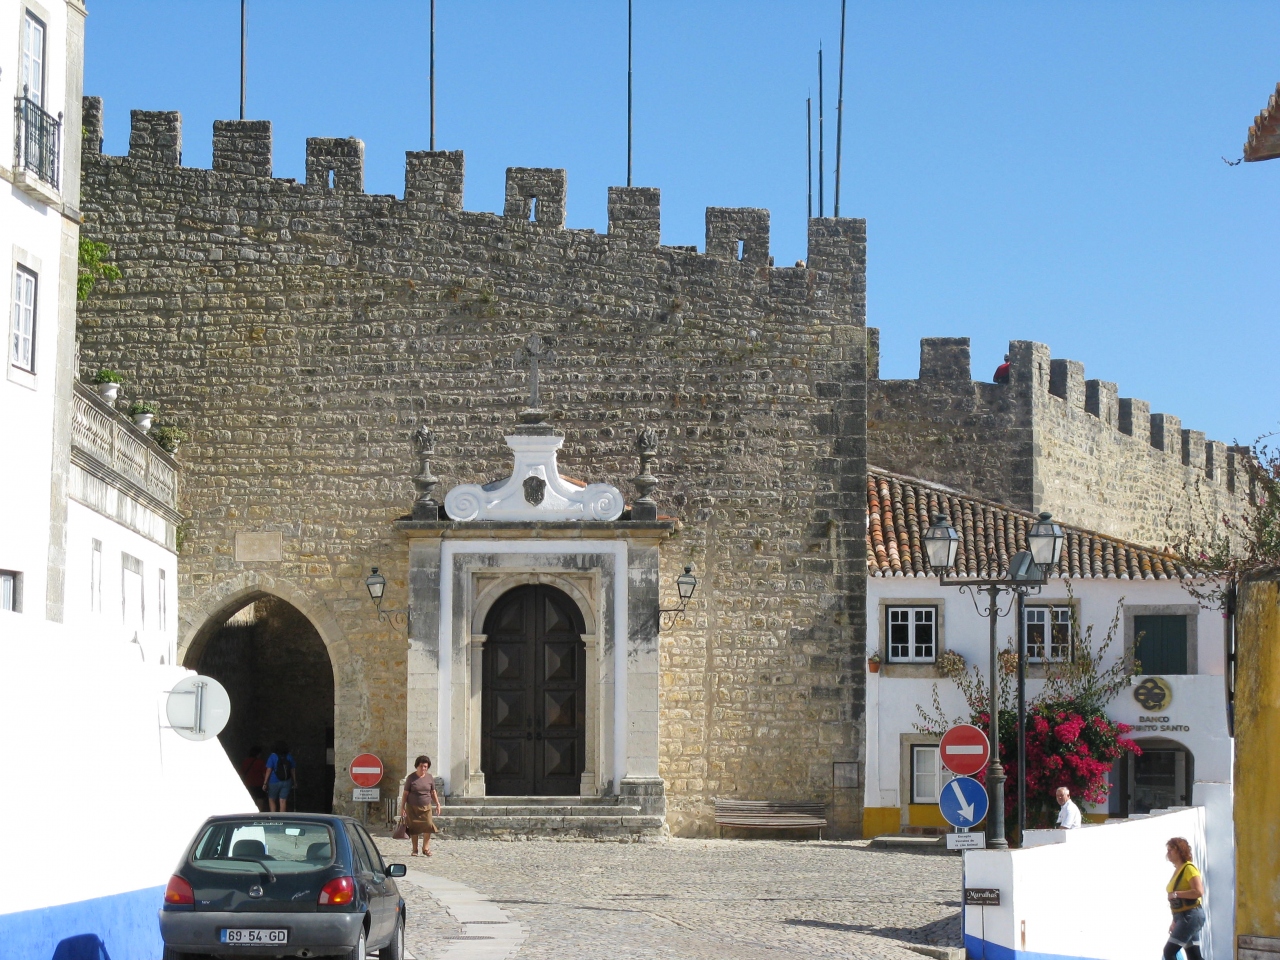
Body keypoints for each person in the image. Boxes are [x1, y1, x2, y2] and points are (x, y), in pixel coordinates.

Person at [1163, 836, 1206, 960]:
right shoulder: (1178, 870)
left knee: (1169, 952)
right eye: (1167, 850)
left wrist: (1177, 894)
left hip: (1190, 916)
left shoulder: (1189, 868)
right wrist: (1175, 921)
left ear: (1180, 850)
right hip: (1183, 917)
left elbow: (1198, 891)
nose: (1168, 853)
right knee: (1194, 956)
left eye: (1171, 849)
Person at [400, 755, 442, 857]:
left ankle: (425, 848)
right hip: (412, 807)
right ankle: (415, 849)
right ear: (417, 766)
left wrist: (437, 804)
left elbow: (433, 792)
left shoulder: (429, 777)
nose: (423, 768)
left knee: (428, 825)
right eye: (421, 766)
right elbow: (405, 793)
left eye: (425, 767)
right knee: (414, 828)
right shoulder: (411, 778)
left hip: (426, 807)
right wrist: (402, 807)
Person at [263, 741, 297, 813]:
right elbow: (292, 770)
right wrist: (294, 781)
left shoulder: (272, 756)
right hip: (287, 781)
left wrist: (265, 783)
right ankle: (282, 817)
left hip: (274, 781)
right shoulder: (289, 756)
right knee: (283, 800)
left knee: (272, 799)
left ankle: (273, 816)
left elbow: (269, 770)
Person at [240, 746, 267, 811]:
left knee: (250, 799)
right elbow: (264, 774)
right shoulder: (261, 762)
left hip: (248, 783)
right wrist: (266, 783)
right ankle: (259, 812)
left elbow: (241, 773)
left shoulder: (245, 761)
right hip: (259, 784)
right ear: (259, 754)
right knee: (260, 799)